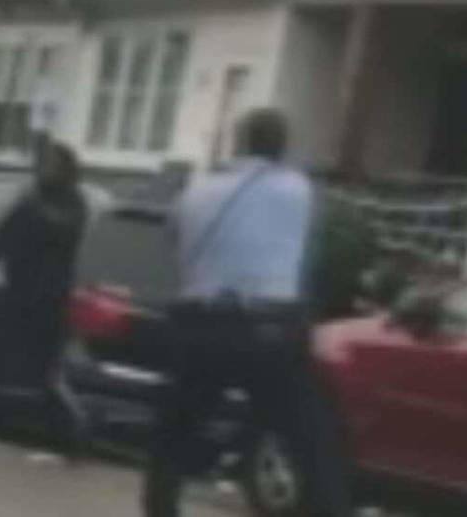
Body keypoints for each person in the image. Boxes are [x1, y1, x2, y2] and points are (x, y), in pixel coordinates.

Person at [143, 108, 353, 517]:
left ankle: (160, 507)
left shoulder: (197, 190)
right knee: (310, 439)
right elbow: (311, 248)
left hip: (203, 327)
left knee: (174, 430)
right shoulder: (299, 189)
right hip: (271, 330)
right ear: (282, 147)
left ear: (239, 142)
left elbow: (173, 241)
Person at [0, 141, 90, 461]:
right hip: (33, 298)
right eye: (43, 163)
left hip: (37, 299)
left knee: (24, 371)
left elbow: (6, 242)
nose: (43, 169)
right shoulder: (53, 203)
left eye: (50, 164)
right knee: (9, 368)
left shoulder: (52, 204)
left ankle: (70, 435)